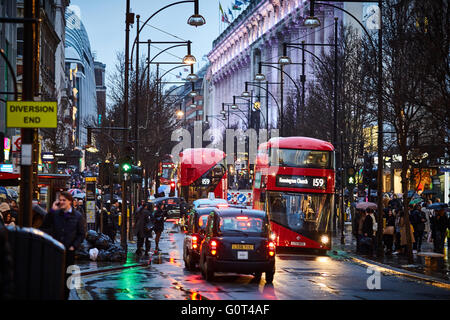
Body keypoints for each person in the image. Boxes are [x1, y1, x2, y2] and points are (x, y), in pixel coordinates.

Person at [40, 191, 86, 299]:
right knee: (54, 276)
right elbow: (45, 225)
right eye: (60, 200)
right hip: (55, 250)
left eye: (63, 200)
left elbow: (81, 234)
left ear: (70, 201)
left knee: (67, 276)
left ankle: (65, 296)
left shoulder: (77, 216)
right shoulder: (55, 214)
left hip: (69, 252)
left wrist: (73, 246)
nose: (61, 202)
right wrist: (52, 210)